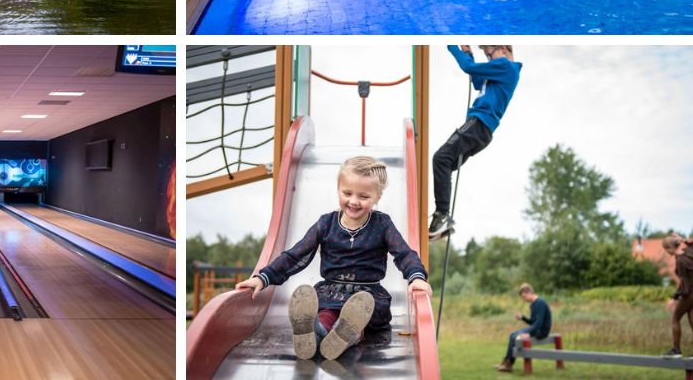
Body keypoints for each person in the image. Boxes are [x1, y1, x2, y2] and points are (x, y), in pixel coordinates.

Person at [234, 156, 431, 361]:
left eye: (363, 196)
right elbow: (295, 255)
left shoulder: (382, 224)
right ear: (338, 190)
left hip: (367, 295)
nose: (354, 201)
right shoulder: (326, 224)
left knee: (360, 310)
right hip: (332, 292)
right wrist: (263, 277)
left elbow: (404, 253)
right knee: (327, 311)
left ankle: (347, 334)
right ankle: (316, 332)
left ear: (377, 197)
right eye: (347, 193)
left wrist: (416, 277)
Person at [429, 46, 522, 239]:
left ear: (503, 49)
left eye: (490, 54)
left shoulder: (506, 66)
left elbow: (468, 68)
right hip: (483, 131)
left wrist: (452, 46)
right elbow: (479, 82)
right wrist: (470, 53)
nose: (489, 59)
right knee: (445, 166)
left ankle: (443, 214)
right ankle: (442, 216)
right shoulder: (501, 71)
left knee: (441, 158)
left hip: (479, 123)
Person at [495, 284, 552, 372]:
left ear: (529, 292)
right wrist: (522, 318)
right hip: (536, 328)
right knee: (512, 335)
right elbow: (533, 322)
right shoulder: (533, 305)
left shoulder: (540, 303)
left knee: (515, 337)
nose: (523, 299)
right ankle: (506, 361)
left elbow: (539, 324)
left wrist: (529, 334)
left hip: (542, 331)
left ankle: (509, 364)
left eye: (524, 296)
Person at [663, 234, 693, 358]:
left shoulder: (680, 260)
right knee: (692, 320)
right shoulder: (689, 252)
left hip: (690, 294)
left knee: (675, 318)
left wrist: (675, 299)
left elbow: (683, 283)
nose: (666, 252)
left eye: (666, 249)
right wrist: (685, 240)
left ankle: (676, 350)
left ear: (670, 248)